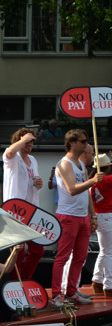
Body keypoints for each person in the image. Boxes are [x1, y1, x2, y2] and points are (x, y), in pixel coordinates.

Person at [52, 129, 103, 307]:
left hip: (81, 216)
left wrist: (93, 215)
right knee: (63, 257)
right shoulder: (65, 164)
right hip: (68, 215)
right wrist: (92, 181)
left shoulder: (80, 164)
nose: (85, 143)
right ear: (72, 143)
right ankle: (57, 294)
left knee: (81, 256)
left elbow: (86, 194)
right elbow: (72, 189)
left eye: (85, 141)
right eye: (82, 141)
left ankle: (72, 291)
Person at [2, 127, 44, 279]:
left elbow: (34, 182)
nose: (29, 144)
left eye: (32, 141)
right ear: (19, 141)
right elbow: (9, 153)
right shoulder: (13, 157)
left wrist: (38, 183)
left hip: (31, 210)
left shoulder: (32, 160)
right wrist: (23, 139)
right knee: (18, 251)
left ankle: (25, 280)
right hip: (16, 210)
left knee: (38, 250)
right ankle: (14, 284)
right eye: (27, 141)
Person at [92, 154, 112, 295]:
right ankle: (109, 285)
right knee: (109, 252)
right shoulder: (108, 180)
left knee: (104, 251)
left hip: (98, 217)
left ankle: (97, 281)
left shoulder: (91, 182)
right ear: (108, 166)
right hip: (108, 217)